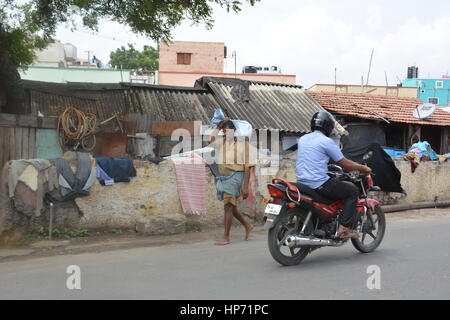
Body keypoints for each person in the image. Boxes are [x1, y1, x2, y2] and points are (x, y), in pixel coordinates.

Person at [296, 111, 372, 239]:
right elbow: (346, 164)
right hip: (318, 183)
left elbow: (314, 158)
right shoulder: (326, 141)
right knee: (352, 191)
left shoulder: (303, 139)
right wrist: (364, 168)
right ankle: (343, 230)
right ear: (328, 127)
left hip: (301, 183)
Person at [209, 119, 255, 246]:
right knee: (231, 206)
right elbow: (210, 140)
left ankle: (226, 237)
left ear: (234, 131)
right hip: (224, 177)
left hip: (236, 176)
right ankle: (247, 225)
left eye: (227, 131)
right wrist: (218, 126)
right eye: (224, 132)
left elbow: (247, 167)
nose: (225, 133)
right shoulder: (221, 142)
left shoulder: (243, 145)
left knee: (228, 206)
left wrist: (245, 187)